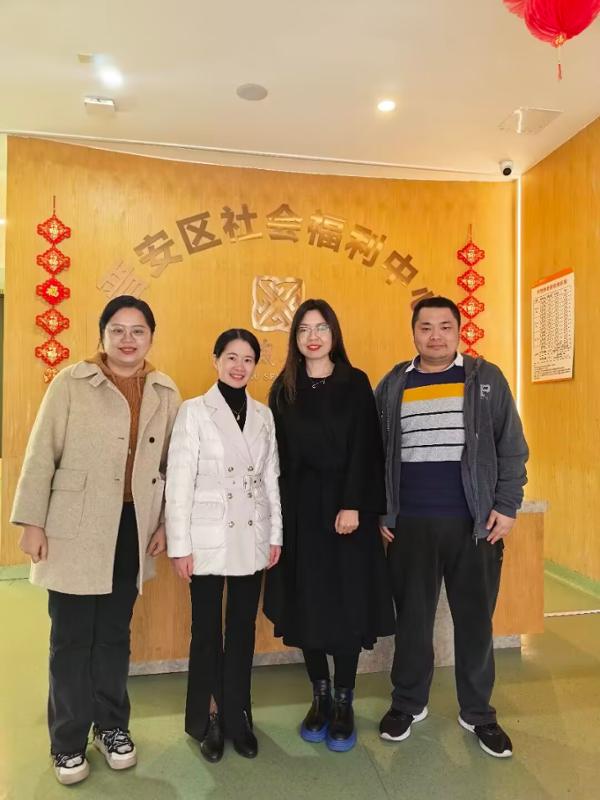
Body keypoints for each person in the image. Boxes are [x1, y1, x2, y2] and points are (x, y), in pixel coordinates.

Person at [11, 295, 181, 785]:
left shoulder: (165, 390)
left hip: (132, 527)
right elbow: (41, 453)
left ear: (151, 337)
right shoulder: (71, 382)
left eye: (138, 330)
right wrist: (32, 522)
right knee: (70, 638)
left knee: (113, 634)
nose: (128, 339)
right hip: (73, 526)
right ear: (102, 336)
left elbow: (172, 465)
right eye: (117, 330)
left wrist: (165, 524)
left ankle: (111, 727)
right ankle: (67, 741)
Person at [374, 295, 528, 758]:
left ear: (459, 331)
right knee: (413, 622)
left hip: (474, 526)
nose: (435, 336)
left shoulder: (486, 379)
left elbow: (512, 447)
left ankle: (478, 712)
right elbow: (375, 453)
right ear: (413, 332)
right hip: (410, 526)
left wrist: (507, 504)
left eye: (445, 326)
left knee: (475, 623)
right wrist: (383, 510)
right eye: (425, 327)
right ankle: (408, 702)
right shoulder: (393, 384)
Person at [264, 299, 394, 752]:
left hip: (346, 512)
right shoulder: (283, 388)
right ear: (295, 339)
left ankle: (343, 700)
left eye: (321, 328)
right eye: (303, 330)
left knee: (345, 606)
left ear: (334, 333)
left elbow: (367, 449)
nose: (313, 337)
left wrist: (354, 504)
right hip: (300, 512)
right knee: (308, 604)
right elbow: (274, 458)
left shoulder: (354, 382)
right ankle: (319, 695)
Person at [166, 329, 282, 763]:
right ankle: (210, 716)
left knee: (242, 629)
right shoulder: (194, 411)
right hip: (207, 537)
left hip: (251, 534)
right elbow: (179, 481)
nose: (239, 366)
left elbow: (270, 479)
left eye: (247, 359)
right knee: (206, 631)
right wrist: (180, 545)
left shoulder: (263, 415)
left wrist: (275, 534)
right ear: (215, 360)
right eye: (231, 357)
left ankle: (239, 715)